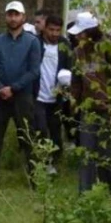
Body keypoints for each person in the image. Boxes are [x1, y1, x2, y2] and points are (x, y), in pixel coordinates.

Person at [0, 1, 43, 187]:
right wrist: (2, 87)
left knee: (28, 137)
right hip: (1, 96)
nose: (13, 18)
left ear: (23, 17)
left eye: (16, 14)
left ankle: (35, 180)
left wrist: (14, 88)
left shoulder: (32, 41)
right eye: (10, 14)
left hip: (22, 96)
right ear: (5, 17)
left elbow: (34, 70)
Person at [69, 14, 111, 193]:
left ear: (90, 32)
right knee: (86, 155)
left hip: (108, 111)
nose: (77, 36)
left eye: (81, 33)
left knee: (108, 155)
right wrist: (73, 104)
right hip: (88, 112)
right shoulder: (78, 52)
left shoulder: (107, 49)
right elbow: (76, 81)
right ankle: (84, 195)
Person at [34, 15, 73, 174]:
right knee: (41, 129)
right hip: (37, 96)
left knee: (56, 130)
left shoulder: (65, 45)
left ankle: (56, 159)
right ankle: (44, 162)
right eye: (51, 29)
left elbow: (70, 66)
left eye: (58, 30)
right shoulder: (35, 43)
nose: (55, 33)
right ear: (45, 28)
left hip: (56, 96)